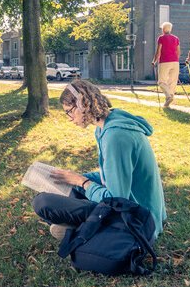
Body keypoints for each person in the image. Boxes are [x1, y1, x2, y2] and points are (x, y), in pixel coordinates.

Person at [32, 79, 166, 241]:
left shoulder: (116, 136)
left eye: (69, 111)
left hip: (139, 221)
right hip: (132, 208)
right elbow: (112, 177)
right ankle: (83, 228)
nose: (69, 117)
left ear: (82, 104)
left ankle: (84, 231)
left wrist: (83, 182)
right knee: (65, 191)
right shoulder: (106, 126)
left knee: (43, 202)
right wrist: (75, 178)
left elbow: (117, 199)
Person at [153, 22, 181, 107]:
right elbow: (178, 52)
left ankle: (168, 96)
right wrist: (176, 60)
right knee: (172, 82)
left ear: (163, 29)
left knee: (161, 81)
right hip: (175, 62)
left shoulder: (161, 38)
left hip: (165, 61)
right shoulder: (176, 38)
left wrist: (154, 61)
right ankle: (168, 101)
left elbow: (158, 51)